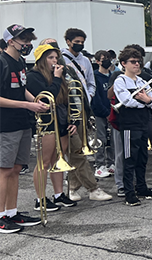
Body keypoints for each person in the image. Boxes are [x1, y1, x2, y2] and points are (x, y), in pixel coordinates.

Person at [43, 38, 113, 203]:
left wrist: (87, 101)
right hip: (56, 119)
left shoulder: (67, 69)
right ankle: (92, 188)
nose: (55, 58)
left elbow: (82, 86)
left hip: (76, 114)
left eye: (56, 53)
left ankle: (72, 187)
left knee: (76, 152)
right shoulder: (41, 74)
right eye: (50, 54)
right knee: (75, 154)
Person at [0, 24, 49, 233]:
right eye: (24, 40)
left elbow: (22, 89)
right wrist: (27, 105)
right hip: (6, 124)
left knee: (16, 169)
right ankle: (0, 216)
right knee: (4, 170)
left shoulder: (20, 61)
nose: (28, 44)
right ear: (10, 41)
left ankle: (11, 212)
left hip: (22, 121)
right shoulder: (2, 61)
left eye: (29, 40)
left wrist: (36, 101)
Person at [26, 44, 78, 212]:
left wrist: (73, 121)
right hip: (46, 123)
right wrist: (56, 78)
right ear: (41, 60)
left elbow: (66, 99)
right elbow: (47, 97)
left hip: (61, 120)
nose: (55, 61)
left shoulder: (58, 76)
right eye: (50, 58)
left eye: (56, 57)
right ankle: (40, 199)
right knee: (44, 161)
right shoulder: (33, 76)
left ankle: (58, 194)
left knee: (58, 159)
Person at [113, 47, 152, 206]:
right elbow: (127, 101)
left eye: (139, 61)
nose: (137, 64)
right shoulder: (120, 81)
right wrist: (146, 102)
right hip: (129, 124)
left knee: (142, 157)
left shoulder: (142, 81)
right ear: (123, 63)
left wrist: (147, 101)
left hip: (143, 123)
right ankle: (129, 193)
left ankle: (141, 187)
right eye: (133, 62)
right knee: (130, 158)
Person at [92, 50, 115, 178]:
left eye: (108, 58)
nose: (107, 61)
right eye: (103, 59)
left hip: (113, 111)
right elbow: (96, 98)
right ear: (97, 61)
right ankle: (99, 165)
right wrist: (105, 112)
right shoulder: (95, 76)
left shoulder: (113, 76)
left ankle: (110, 163)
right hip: (100, 113)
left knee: (112, 139)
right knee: (100, 139)